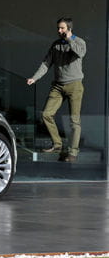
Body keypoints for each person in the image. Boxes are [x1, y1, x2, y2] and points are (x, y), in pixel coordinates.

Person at [27, 17, 86, 162]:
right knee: (46, 114)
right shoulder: (55, 45)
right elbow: (46, 63)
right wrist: (35, 78)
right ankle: (58, 144)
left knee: (74, 121)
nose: (59, 31)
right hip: (58, 86)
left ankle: (73, 152)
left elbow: (80, 53)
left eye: (62, 28)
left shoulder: (79, 42)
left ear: (69, 29)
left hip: (75, 85)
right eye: (58, 28)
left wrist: (70, 40)